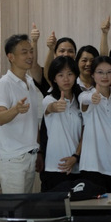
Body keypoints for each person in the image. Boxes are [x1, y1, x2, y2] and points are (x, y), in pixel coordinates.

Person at [0, 34, 43, 193]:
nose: (30, 56)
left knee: (25, 206)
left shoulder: (30, 82)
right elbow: (0, 118)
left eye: (31, 51)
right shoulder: (4, 84)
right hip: (13, 160)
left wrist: (38, 150)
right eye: (24, 52)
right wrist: (15, 109)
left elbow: (33, 121)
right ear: (11, 57)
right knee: (14, 207)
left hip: (30, 156)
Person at [40, 56, 83, 191]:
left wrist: (75, 157)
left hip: (77, 167)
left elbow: (84, 132)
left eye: (70, 74)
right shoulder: (48, 99)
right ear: (54, 78)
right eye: (60, 75)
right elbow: (50, 108)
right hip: (55, 167)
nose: (66, 79)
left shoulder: (80, 101)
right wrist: (55, 106)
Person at [78, 56, 111, 191]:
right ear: (92, 74)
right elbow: (84, 100)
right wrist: (92, 98)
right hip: (92, 165)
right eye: (100, 72)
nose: (105, 76)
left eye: (109, 72)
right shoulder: (86, 95)